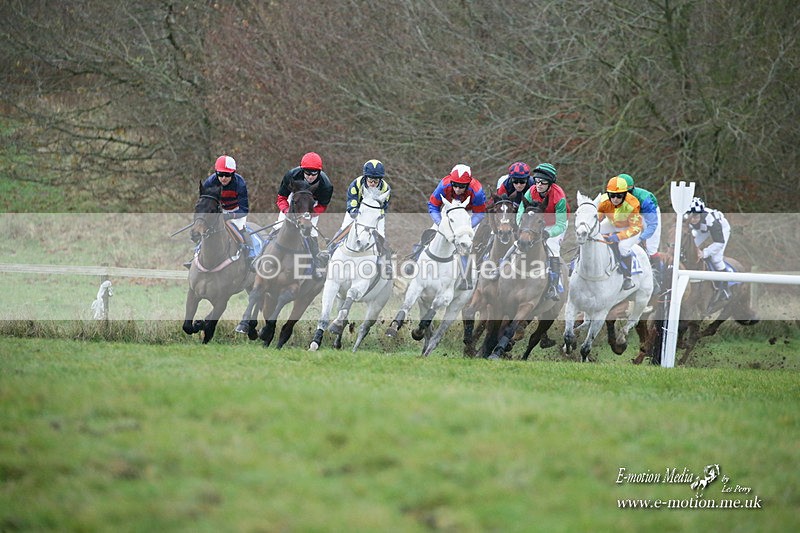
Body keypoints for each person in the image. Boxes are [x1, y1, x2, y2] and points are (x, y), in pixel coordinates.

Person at [404, 164, 486, 285]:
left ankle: (465, 277)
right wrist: (440, 223)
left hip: (467, 214)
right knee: (431, 232)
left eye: (462, 186)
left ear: (468, 184)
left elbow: (479, 214)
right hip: (449, 210)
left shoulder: (477, 191)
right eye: (455, 185)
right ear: (451, 182)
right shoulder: (444, 184)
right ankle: (415, 259)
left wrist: (466, 227)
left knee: (465, 244)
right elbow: (433, 205)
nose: (457, 189)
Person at [184, 155, 252, 269]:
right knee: (205, 230)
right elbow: (205, 203)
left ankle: (251, 255)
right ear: (216, 173)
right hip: (217, 211)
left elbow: (244, 209)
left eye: (227, 175)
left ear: (233, 173)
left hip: (236, 211)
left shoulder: (240, 183)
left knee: (241, 230)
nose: (223, 178)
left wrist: (229, 216)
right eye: (220, 174)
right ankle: (195, 256)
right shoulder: (210, 182)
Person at [275, 152, 334, 279]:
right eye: (307, 173)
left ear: (319, 172)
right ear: (302, 170)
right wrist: (287, 212)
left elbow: (322, 206)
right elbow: (281, 198)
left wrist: (309, 214)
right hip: (294, 202)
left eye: (314, 173)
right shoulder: (291, 176)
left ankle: (316, 265)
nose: (310, 177)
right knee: (278, 227)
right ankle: (260, 257)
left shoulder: (326, 185)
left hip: (312, 206)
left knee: (311, 233)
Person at [516, 163, 569, 300]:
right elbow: (521, 210)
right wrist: (521, 226)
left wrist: (549, 234)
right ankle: (501, 270)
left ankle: (554, 285)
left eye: (543, 183)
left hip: (554, 225)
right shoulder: (531, 190)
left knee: (552, 248)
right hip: (533, 223)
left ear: (550, 184)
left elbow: (561, 224)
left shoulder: (559, 197)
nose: (538, 185)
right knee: (517, 243)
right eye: (537, 181)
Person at [333, 159, 393, 277]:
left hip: (375, 214)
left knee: (381, 235)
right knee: (344, 229)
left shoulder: (385, 189)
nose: (372, 184)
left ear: (380, 180)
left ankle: (386, 262)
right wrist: (355, 212)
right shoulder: (356, 184)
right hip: (357, 211)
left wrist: (375, 217)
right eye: (370, 180)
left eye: (375, 181)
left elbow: (383, 206)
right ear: (366, 177)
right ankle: (331, 250)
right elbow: (352, 200)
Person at [597, 175, 643, 290]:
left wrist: (618, 237)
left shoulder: (633, 204)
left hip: (631, 228)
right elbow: (598, 218)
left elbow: (635, 227)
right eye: (612, 195)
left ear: (625, 194)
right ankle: (575, 262)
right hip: (613, 224)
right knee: (591, 233)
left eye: (619, 196)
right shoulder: (603, 201)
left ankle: (628, 277)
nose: (615, 199)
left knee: (623, 247)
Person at [685, 197, 732, 306]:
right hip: (702, 230)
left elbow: (719, 242)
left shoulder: (712, 220)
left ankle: (724, 288)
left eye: (696, 216)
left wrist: (704, 253)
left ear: (701, 214)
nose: (693, 220)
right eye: (691, 216)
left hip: (721, 230)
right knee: (689, 250)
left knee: (716, 258)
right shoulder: (685, 217)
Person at [619, 174, 661, 259]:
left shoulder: (646, 200)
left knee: (651, 248)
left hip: (647, 214)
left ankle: (658, 271)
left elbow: (652, 225)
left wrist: (640, 239)